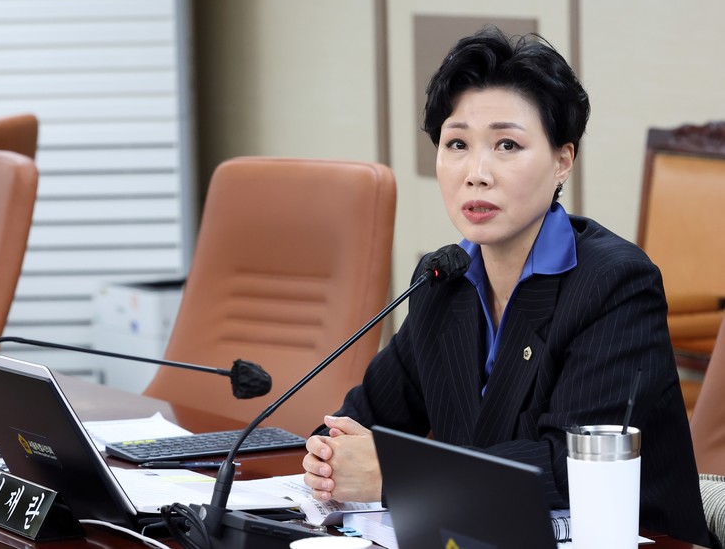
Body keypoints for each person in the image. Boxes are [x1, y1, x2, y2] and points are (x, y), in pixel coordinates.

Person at [302, 27, 714, 547]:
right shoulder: (442, 280)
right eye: (457, 144)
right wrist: (328, 456)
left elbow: (568, 465)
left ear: (563, 160)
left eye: (507, 145)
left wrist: (397, 476)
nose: (477, 173)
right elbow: (363, 420)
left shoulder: (615, 284)